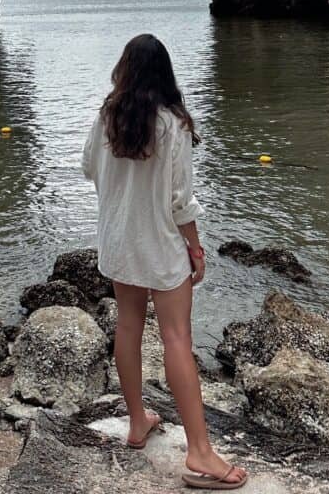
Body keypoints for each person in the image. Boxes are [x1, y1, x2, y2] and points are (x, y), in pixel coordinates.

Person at [81, 34, 248, 491]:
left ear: (125, 69)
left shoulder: (106, 116)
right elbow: (181, 202)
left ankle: (137, 421)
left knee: (128, 328)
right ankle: (199, 450)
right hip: (160, 243)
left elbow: (88, 169)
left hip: (118, 244)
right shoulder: (173, 124)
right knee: (176, 337)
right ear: (165, 75)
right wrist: (195, 249)